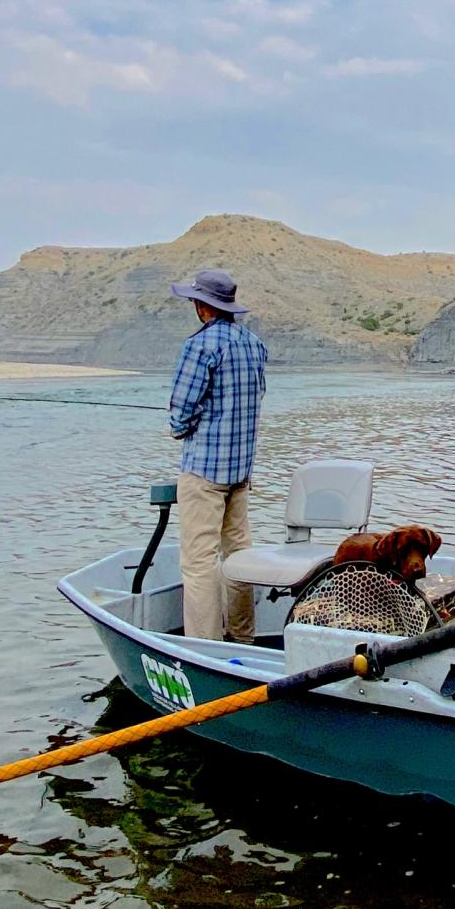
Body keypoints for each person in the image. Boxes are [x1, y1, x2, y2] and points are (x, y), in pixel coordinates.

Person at [167, 267, 268, 642]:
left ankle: (204, 648)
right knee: (238, 554)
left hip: (204, 474)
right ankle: (243, 637)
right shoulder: (254, 344)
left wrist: (180, 424)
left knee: (198, 563)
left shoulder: (200, 346)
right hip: (240, 474)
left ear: (201, 306)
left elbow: (180, 417)